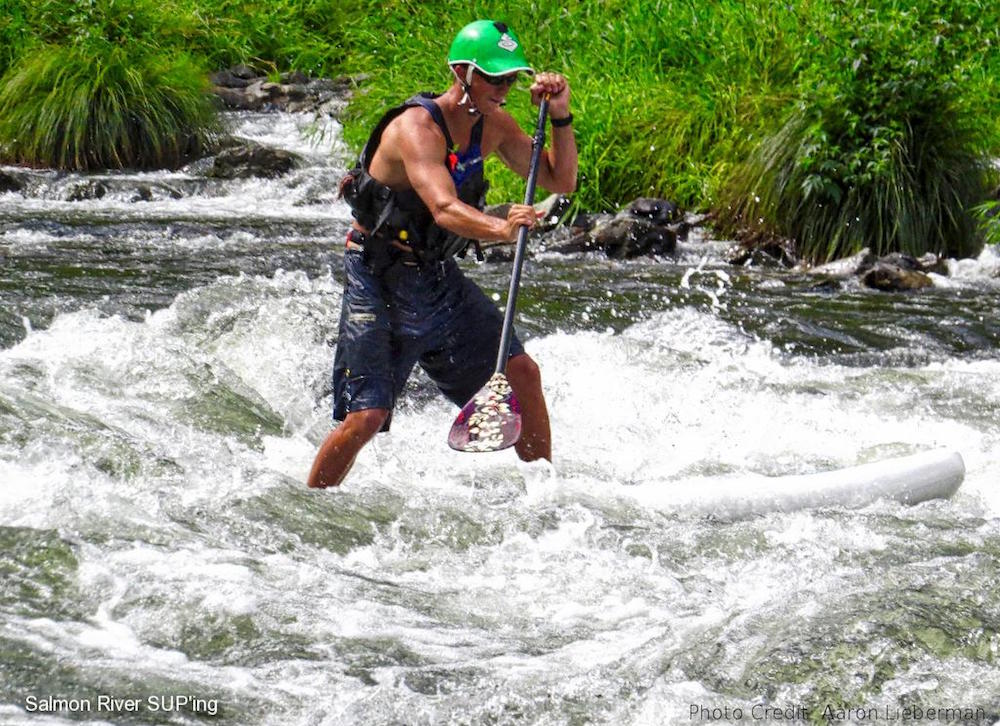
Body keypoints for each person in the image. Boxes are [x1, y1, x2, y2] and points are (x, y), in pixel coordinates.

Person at [307, 19, 578, 488]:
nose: (504, 87)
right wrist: (502, 229)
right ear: (461, 72)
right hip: (377, 274)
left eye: (511, 78)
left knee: (522, 375)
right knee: (367, 417)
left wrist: (560, 115)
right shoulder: (416, 129)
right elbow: (444, 207)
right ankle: (310, 504)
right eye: (494, 77)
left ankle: (544, 496)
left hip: (433, 275)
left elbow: (559, 181)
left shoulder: (494, 126)